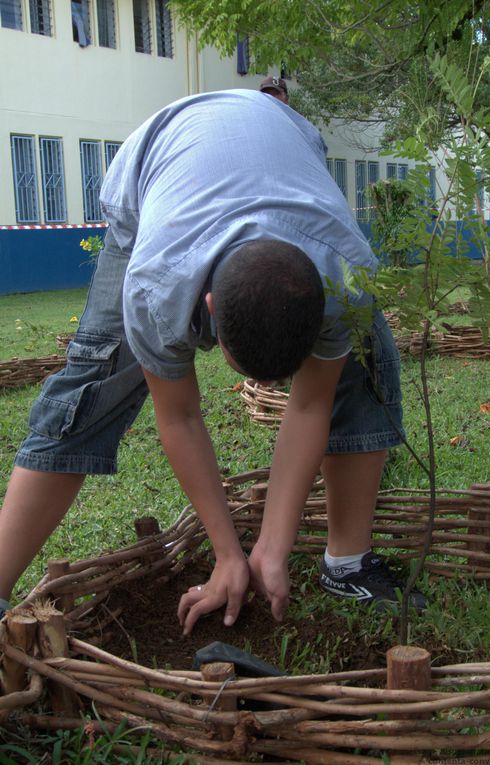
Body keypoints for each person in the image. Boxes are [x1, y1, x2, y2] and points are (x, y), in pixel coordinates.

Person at [0, 89, 425, 634]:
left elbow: (310, 403)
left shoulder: (344, 279)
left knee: (366, 359)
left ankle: (347, 562)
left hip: (284, 149)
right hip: (156, 166)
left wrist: (270, 549)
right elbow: (178, 415)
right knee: (92, 383)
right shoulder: (155, 287)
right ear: (208, 310)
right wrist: (227, 552)